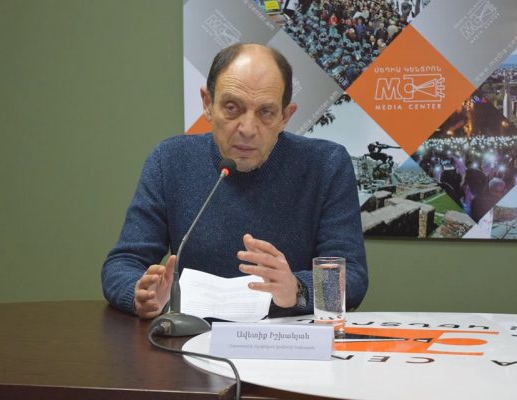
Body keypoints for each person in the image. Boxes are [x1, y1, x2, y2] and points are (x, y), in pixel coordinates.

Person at [101, 43, 368, 320]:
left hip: (288, 336)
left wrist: (298, 290)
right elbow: (123, 263)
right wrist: (140, 294)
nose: (248, 129)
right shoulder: (169, 160)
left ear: (285, 117)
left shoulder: (326, 165)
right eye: (232, 108)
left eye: (266, 112)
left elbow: (352, 277)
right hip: (192, 334)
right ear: (207, 104)